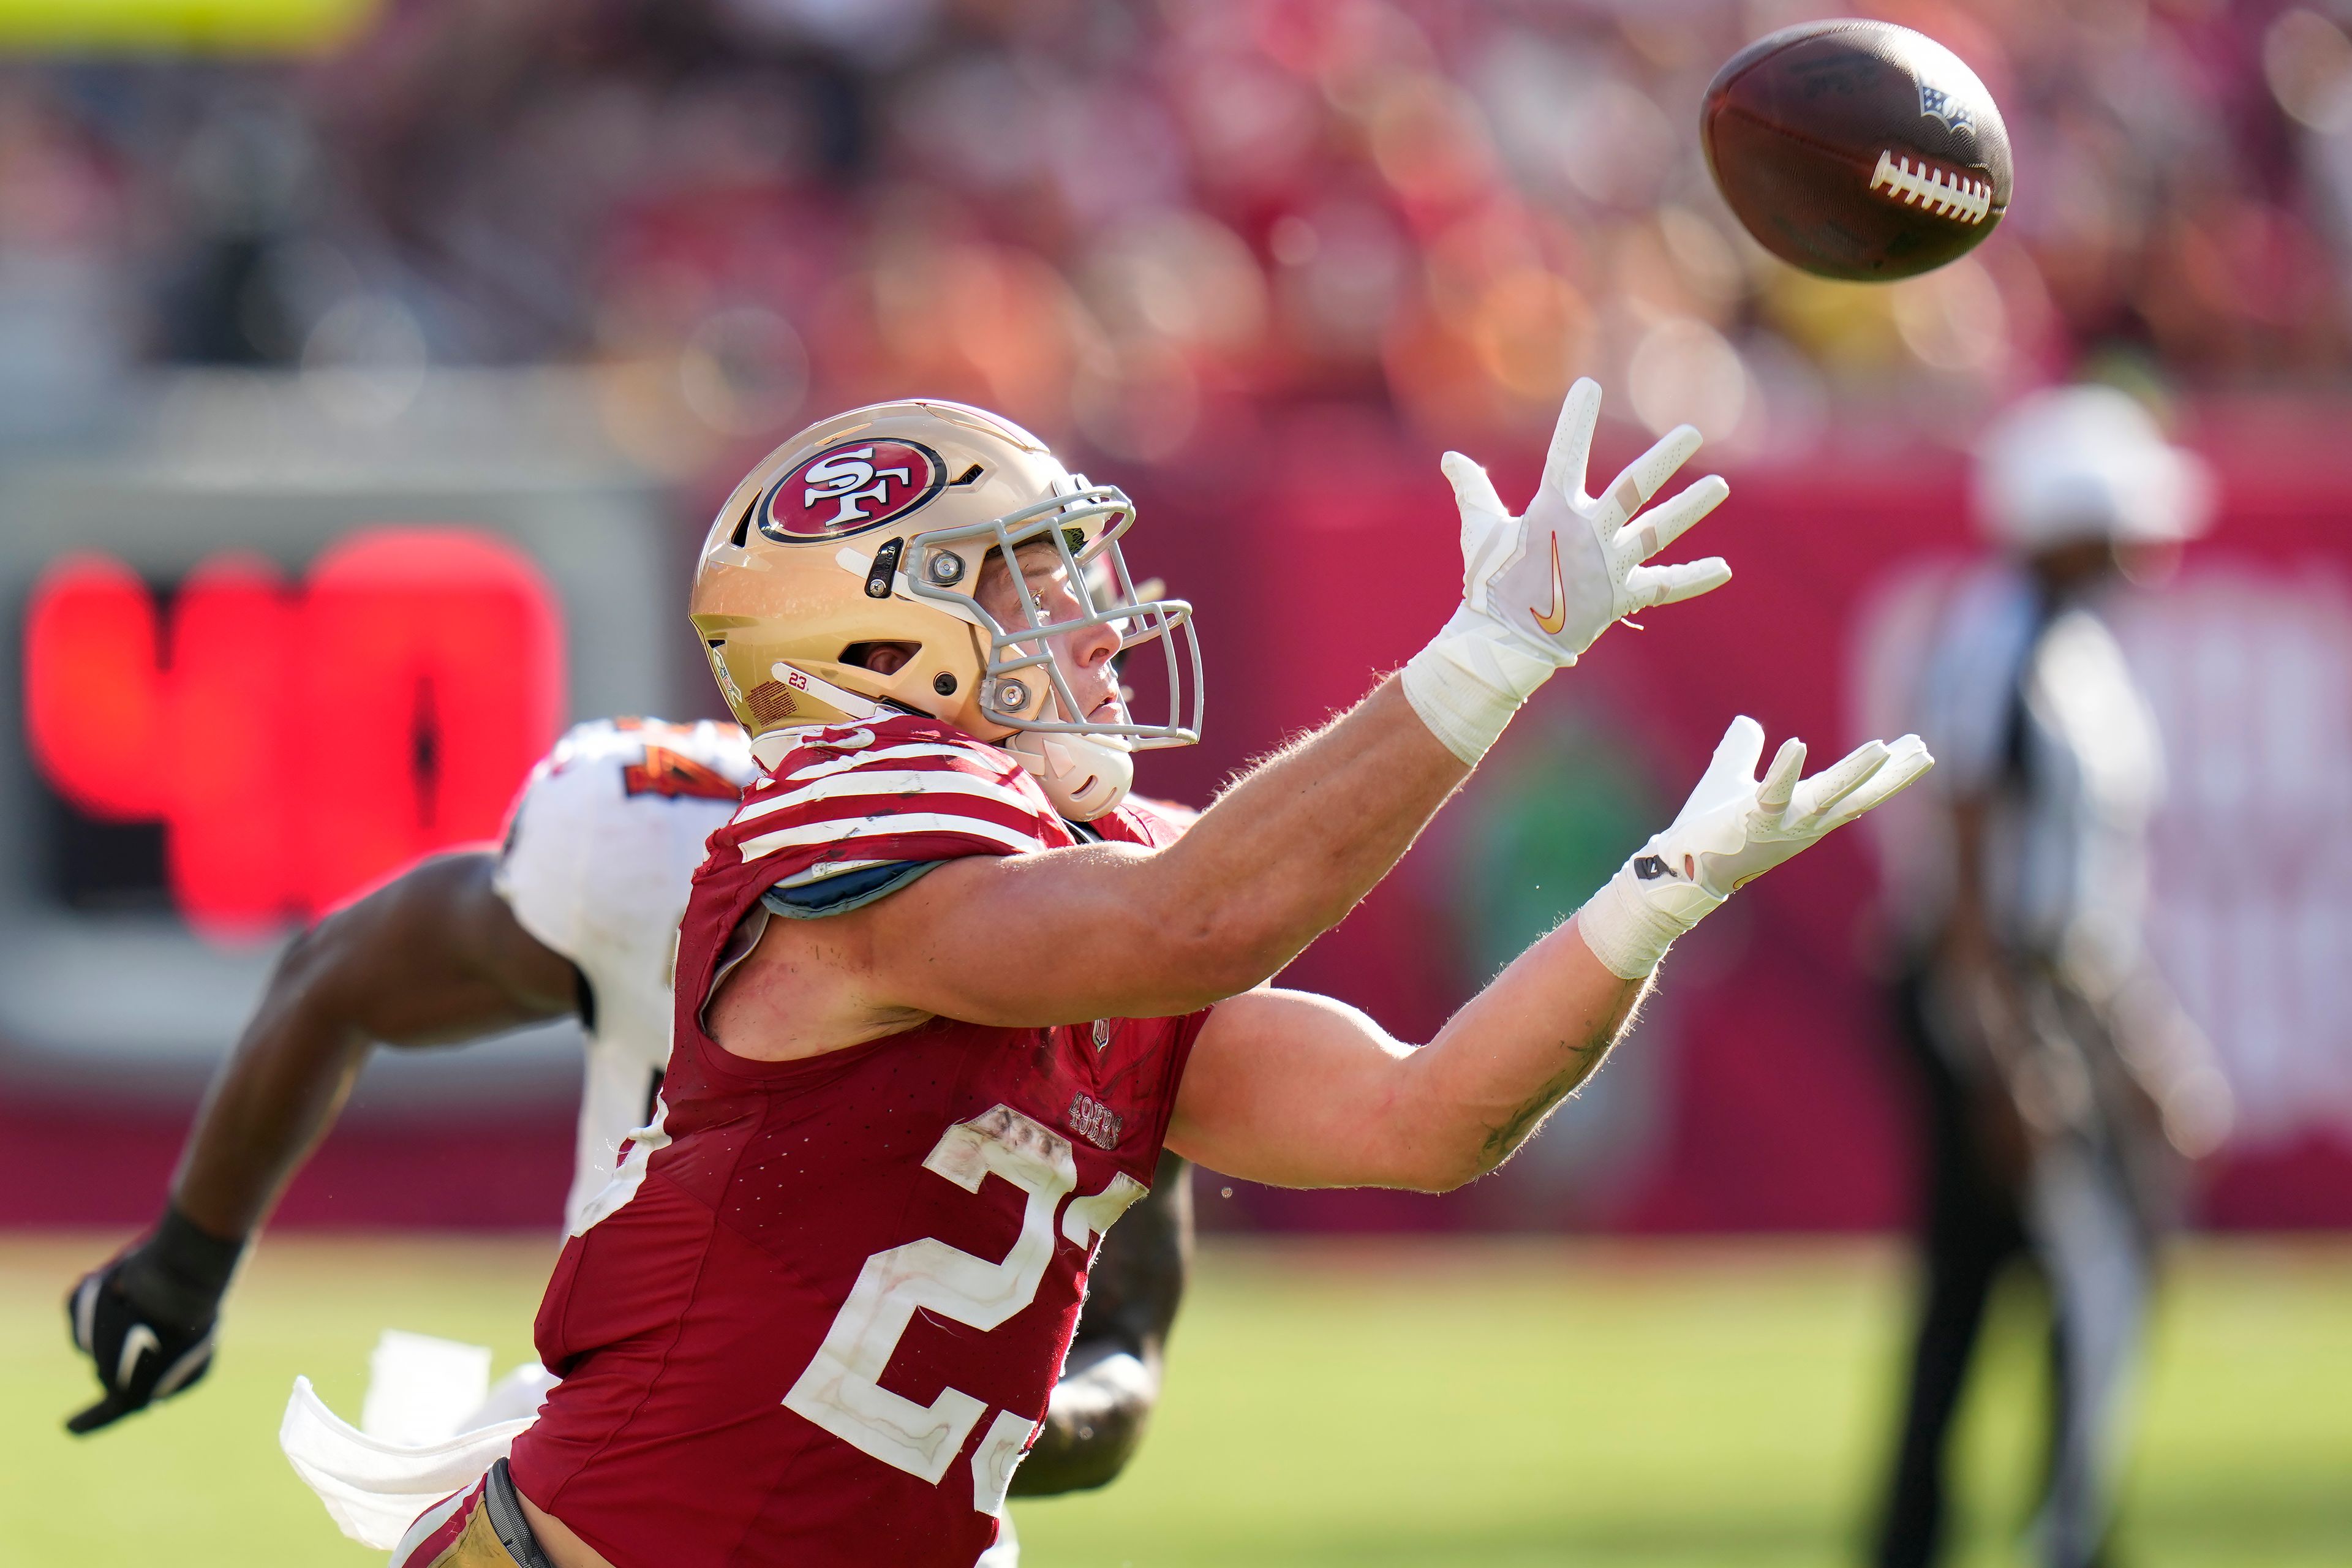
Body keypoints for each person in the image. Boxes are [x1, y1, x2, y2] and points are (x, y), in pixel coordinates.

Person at [377, 389, 1930, 1568]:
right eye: (1031, 580)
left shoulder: (1091, 873)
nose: (1097, 619)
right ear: (883, 639)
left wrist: (1652, 902)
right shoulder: (849, 827)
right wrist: (1493, 652)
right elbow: (1192, 922)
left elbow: (1425, 1116)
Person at [61, 711, 1194, 1557]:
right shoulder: (674, 833)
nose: (1090, 644)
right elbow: (344, 974)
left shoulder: (1141, 907)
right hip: (607, 1468)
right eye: (1028, 588)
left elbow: (1121, 1360)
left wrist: (897, 1426)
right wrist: (180, 1271)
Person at [1869, 385, 2233, 1568]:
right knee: (2088, 1266)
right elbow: (1965, 876)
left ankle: (1941, 1534)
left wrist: (2143, 1039)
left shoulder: (2071, 645)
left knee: (1987, 1283)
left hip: (2059, 989)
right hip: (2009, 994)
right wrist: (2005, 1056)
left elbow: (2092, 896)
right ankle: (2061, 1535)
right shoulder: (2002, 637)